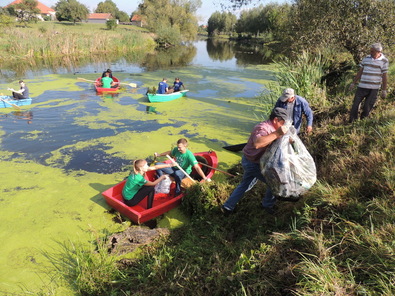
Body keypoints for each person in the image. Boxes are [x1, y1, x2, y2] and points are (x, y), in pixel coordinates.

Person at [221, 107, 289, 215]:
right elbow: (258, 143)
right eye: (283, 122)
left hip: (255, 162)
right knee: (275, 183)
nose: (284, 125)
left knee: (245, 184)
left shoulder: (275, 128)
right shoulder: (263, 128)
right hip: (252, 163)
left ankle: (227, 207)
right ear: (276, 120)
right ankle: (267, 205)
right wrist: (277, 133)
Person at [349, 43, 389, 123]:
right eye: (370, 51)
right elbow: (360, 71)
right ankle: (352, 121)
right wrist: (353, 83)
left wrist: (384, 90)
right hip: (362, 86)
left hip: (374, 88)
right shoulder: (366, 58)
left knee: (367, 106)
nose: (371, 53)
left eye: (373, 51)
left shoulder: (384, 61)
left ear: (379, 51)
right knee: (355, 105)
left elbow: (384, 76)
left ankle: (363, 122)